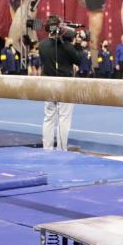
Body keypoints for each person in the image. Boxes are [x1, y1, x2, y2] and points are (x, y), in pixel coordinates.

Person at [39, 15, 83, 150]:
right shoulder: (66, 46)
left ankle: (47, 149)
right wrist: (78, 45)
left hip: (48, 84)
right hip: (65, 84)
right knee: (63, 118)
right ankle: (61, 150)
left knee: (49, 117)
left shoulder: (42, 45)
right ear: (59, 28)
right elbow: (79, 60)